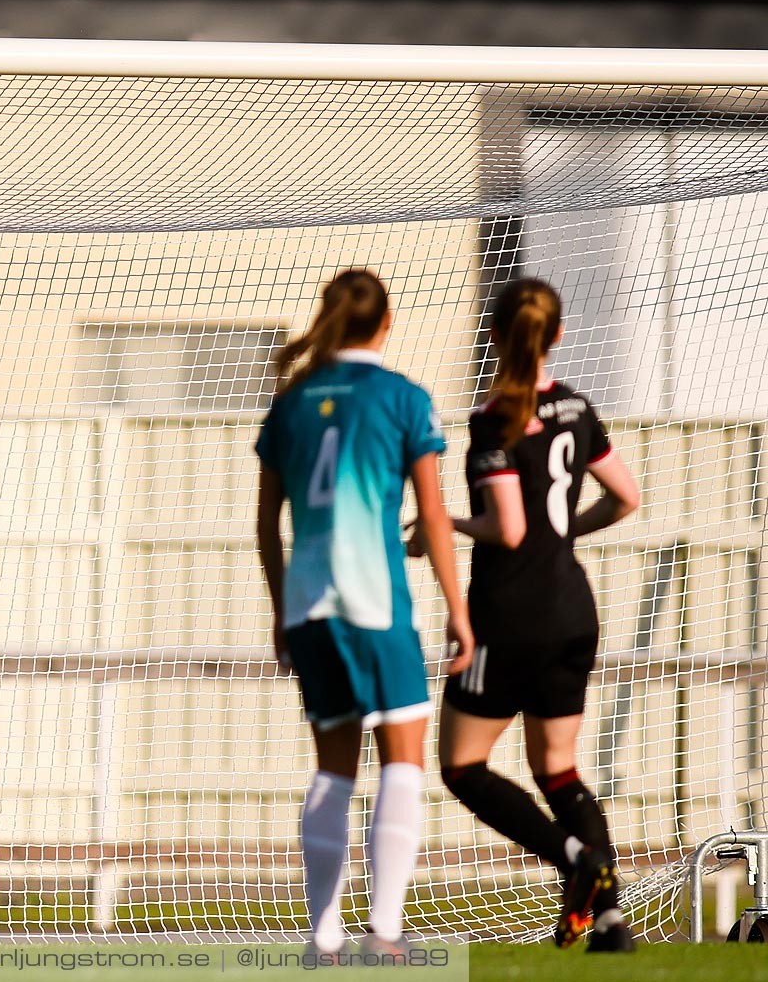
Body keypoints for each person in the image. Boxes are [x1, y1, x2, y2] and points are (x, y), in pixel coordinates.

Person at [255, 269, 473, 959]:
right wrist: (458, 608)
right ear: (386, 323)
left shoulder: (290, 403)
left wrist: (280, 606)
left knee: (333, 769)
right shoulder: (403, 397)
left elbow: (265, 524)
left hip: (311, 607)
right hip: (377, 605)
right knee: (403, 762)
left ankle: (323, 936)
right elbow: (434, 513)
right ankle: (383, 931)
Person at [438, 277, 641, 952]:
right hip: (572, 609)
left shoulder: (493, 420)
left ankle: (572, 857)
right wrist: (570, 533)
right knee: (558, 766)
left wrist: (442, 522)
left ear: (493, 335)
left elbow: (511, 527)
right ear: (556, 336)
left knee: (462, 765)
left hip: (509, 617)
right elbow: (626, 496)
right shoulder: (578, 407)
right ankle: (610, 922)